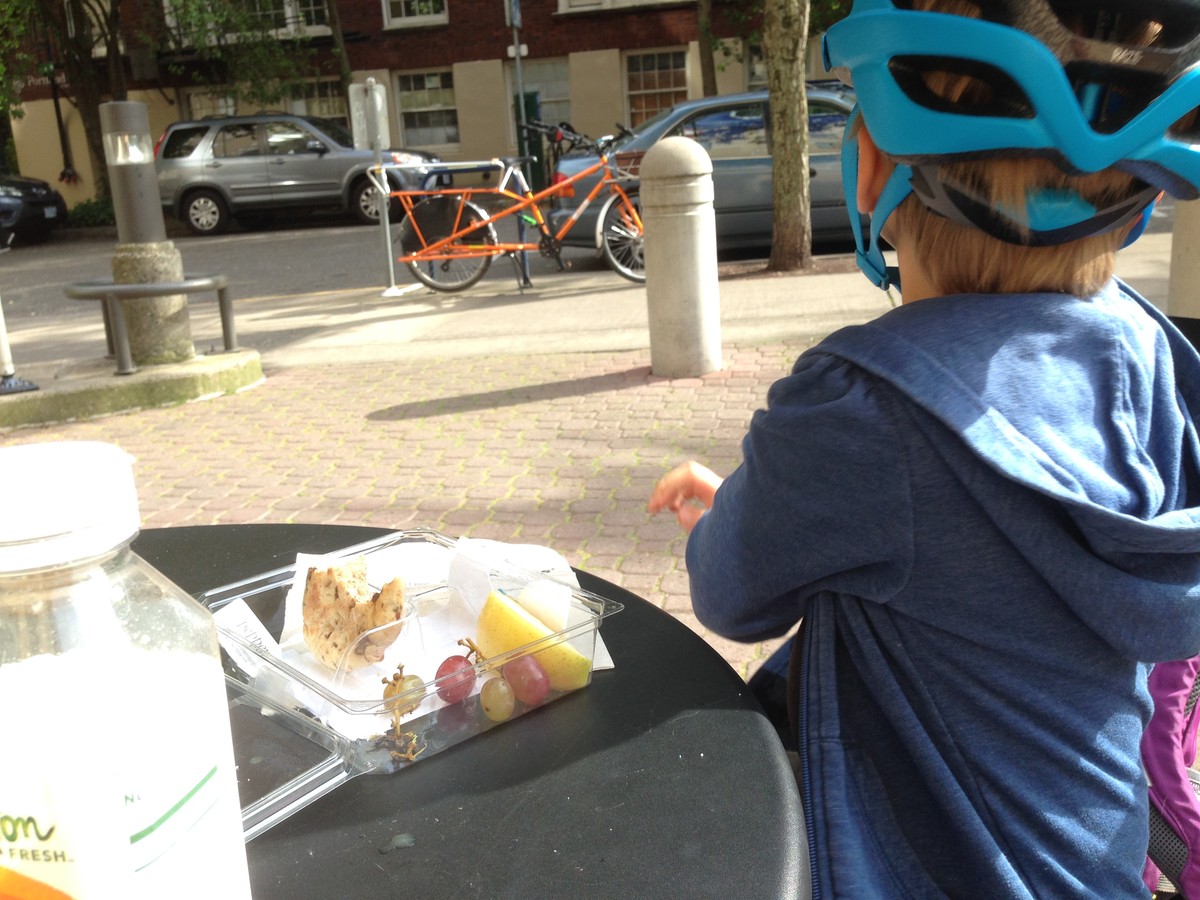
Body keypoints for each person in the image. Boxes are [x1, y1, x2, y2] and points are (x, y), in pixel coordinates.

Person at [647, 0, 1200, 896]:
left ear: (867, 165)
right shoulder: (1146, 349)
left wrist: (736, 514)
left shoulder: (858, 408)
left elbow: (733, 595)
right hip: (1098, 863)